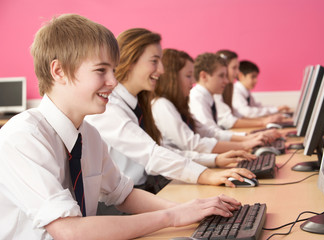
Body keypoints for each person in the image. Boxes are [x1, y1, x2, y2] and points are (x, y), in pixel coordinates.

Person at [0, 14, 243, 239]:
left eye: (113, 70)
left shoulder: (89, 135)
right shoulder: (23, 137)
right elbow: (70, 231)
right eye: (100, 70)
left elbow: (123, 194)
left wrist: (190, 209)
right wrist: (173, 216)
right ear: (59, 71)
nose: (113, 81)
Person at [86, 28, 257, 194]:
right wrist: (208, 173)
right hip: (120, 202)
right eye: (154, 61)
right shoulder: (109, 107)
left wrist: (214, 160)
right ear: (130, 61)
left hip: (141, 190)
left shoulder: (138, 103)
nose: (161, 70)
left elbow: (162, 149)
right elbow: (152, 154)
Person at [152, 48, 276, 154]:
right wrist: (244, 144)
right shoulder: (165, 104)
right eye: (188, 76)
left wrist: (249, 138)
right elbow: (193, 144)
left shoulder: (180, 103)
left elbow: (209, 132)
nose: (227, 81)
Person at [189, 53, 281, 145]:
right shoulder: (198, 98)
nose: (226, 80)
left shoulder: (209, 96)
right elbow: (210, 134)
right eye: (221, 75)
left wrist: (250, 137)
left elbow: (213, 132)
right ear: (204, 76)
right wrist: (248, 139)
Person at [214, 50, 285, 128]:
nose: (237, 72)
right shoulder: (221, 91)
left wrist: (266, 119)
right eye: (234, 68)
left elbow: (237, 115)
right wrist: (263, 121)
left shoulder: (229, 89)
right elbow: (237, 116)